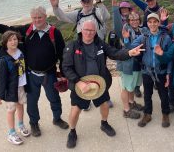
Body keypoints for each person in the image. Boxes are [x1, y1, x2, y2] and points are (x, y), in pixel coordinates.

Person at [0, 7, 68, 137]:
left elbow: (62, 55)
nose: (37, 20)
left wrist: (63, 74)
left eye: (39, 17)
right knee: (31, 102)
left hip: (49, 74)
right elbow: (6, 30)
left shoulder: (54, 32)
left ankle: (57, 118)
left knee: (54, 98)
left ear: (45, 16)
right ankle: (34, 123)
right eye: (34, 18)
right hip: (31, 75)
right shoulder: (26, 30)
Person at [62, 20, 144, 148]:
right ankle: (72, 132)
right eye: (86, 30)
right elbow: (66, 68)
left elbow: (114, 53)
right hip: (80, 86)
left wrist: (129, 53)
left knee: (105, 105)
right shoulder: (72, 46)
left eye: (92, 30)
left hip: (99, 84)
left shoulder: (99, 44)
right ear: (81, 30)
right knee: (75, 110)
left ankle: (104, 123)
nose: (89, 33)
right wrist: (78, 82)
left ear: (95, 32)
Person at [50, 0, 113, 110]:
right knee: (83, 72)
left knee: (101, 72)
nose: (86, 3)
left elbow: (106, 16)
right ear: (81, 3)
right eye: (83, 1)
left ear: (91, 1)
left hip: (98, 47)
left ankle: (104, 95)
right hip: (82, 48)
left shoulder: (97, 11)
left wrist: (99, 1)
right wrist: (56, 8)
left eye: (88, 1)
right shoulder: (78, 14)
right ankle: (87, 97)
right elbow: (62, 17)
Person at [130, 13, 173, 128]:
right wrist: (135, 46)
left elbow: (169, 57)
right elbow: (131, 46)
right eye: (150, 22)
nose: (153, 24)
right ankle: (147, 114)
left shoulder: (166, 38)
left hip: (161, 72)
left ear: (159, 23)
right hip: (147, 71)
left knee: (163, 94)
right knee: (147, 94)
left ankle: (165, 114)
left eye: (155, 21)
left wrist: (169, 73)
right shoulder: (143, 37)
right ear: (147, 24)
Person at [0, 31, 30, 145]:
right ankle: (11, 133)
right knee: (11, 110)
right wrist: (0, 96)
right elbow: (1, 78)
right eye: (10, 40)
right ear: (5, 42)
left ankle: (21, 125)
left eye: (15, 39)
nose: (13, 42)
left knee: (20, 105)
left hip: (22, 85)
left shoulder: (21, 50)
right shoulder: (4, 59)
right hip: (10, 88)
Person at [116, 11, 145, 119]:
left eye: (136, 19)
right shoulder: (126, 31)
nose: (134, 21)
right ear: (128, 21)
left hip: (138, 63)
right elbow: (128, 49)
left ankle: (132, 102)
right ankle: (126, 110)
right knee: (125, 87)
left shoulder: (142, 30)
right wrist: (126, 39)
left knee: (131, 87)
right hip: (128, 64)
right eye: (132, 20)